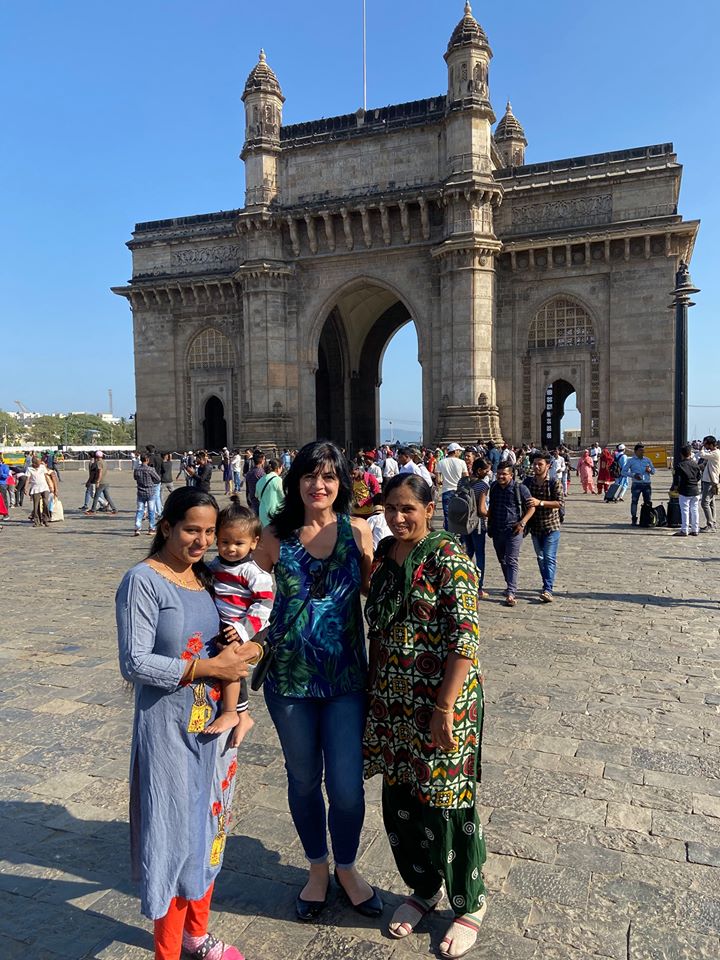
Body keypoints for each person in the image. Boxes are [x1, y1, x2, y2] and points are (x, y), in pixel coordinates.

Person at [116, 487, 258, 960]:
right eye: (191, 530)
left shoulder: (207, 576)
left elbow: (244, 625)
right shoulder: (143, 581)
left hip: (214, 729)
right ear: (166, 527)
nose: (202, 541)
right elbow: (135, 662)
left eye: (210, 532)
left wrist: (240, 691)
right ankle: (168, 951)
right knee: (173, 837)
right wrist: (208, 668)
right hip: (168, 730)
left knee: (209, 829)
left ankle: (197, 935)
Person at [252, 440, 378, 922]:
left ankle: (347, 866)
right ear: (295, 481)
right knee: (304, 780)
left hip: (345, 680)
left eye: (328, 476)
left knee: (346, 787)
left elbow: (377, 594)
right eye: (309, 475)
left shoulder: (358, 532)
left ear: (342, 483)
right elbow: (240, 592)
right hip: (289, 681)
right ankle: (318, 868)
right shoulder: (273, 537)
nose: (318, 485)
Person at [363, 473, 487, 958]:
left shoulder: (448, 557)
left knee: (445, 799)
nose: (398, 517)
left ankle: (469, 901)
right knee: (401, 795)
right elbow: (378, 628)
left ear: (429, 509)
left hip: (441, 703)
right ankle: (423, 886)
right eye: (391, 508)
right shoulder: (386, 555)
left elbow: (464, 638)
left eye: (408, 508)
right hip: (393, 703)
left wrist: (444, 708)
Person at [206, 499, 274, 741]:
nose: (231, 549)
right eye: (225, 542)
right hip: (228, 625)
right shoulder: (215, 566)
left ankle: (232, 712)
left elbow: (264, 605)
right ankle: (241, 714)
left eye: (238, 543)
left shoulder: (253, 572)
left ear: (254, 543)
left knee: (231, 662)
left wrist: (243, 630)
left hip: (249, 626)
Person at [486, 463, 534, 607]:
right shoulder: (494, 487)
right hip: (497, 529)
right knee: (502, 560)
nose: (501, 476)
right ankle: (509, 585)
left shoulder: (520, 488)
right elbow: (491, 506)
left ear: (511, 475)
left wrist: (522, 523)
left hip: (514, 530)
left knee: (511, 559)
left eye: (504, 474)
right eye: (499, 474)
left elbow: (531, 508)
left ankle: (512, 592)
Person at [524, 454, 565, 602]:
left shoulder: (554, 482)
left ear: (548, 466)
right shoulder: (528, 482)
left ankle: (548, 589)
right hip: (535, 527)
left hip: (551, 526)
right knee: (541, 558)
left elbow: (560, 503)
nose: (536, 466)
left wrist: (540, 502)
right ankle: (546, 583)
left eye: (540, 464)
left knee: (549, 557)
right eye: (534, 463)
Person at [466, 457, 491, 600]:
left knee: (467, 554)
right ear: (479, 470)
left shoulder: (463, 482)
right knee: (480, 555)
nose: (488, 473)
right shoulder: (483, 485)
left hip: (463, 524)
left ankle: (464, 581)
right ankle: (479, 587)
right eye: (486, 471)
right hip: (477, 525)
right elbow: (482, 510)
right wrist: (492, 515)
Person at [672, 444, 702, 537]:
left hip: (685, 490)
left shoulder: (680, 465)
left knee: (685, 510)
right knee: (695, 510)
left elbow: (677, 480)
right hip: (695, 490)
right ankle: (695, 529)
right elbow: (699, 476)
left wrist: (676, 488)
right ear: (690, 453)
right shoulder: (695, 464)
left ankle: (684, 530)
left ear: (682, 454)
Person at [436, 443, 468, 529]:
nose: (460, 453)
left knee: (447, 515)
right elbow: (466, 478)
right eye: (459, 451)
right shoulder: (462, 462)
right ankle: (459, 532)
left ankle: (449, 533)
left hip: (446, 491)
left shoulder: (441, 462)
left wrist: (442, 483)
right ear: (455, 451)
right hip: (459, 491)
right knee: (459, 514)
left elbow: (438, 480)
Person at [622, 443, 655, 526]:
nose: (642, 452)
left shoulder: (647, 460)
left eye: (643, 450)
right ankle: (634, 518)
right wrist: (634, 475)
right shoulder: (631, 461)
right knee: (634, 501)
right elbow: (623, 472)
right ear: (635, 451)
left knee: (648, 502)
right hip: (636, 484)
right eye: (640, 450)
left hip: (646, 484)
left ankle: (647, 519)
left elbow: (653, 471)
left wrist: (650, 470)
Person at [133, 453, 161, 536]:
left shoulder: (137, 469)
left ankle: (137, 528)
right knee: (151, 511)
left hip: (140, 492)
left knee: (140, 510)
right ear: (147, 460)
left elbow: (135, 478)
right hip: (150, 492)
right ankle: (151, 528)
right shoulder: (151, 469)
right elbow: (158, 478)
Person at [86, 451, 118, 515]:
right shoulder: (104, 462)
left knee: (96, 496)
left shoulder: (99, 463)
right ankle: (114, 509)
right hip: (106, 481)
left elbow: (100, 472)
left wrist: (98, 481)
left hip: (101, 482)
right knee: (107, 496)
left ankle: (93, 510)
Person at [255, 458, 285, 527]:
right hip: (274, 513)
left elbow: (257, 496)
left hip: (262, 513)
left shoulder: (260, 480)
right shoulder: (277, 479)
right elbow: (284, 497)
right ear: (278, 468)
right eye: (281, 467)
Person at [26, 455, 55, 527]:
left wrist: (50, 486)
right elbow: (27, 479)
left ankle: (46, 519)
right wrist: (25, 488)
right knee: (36, 505)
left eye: (40, 463)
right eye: (38, 463)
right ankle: (37, 521)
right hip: (35, 488)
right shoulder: (29, 469)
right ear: (34, 463)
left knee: (46, 503)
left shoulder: (42, 467)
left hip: (44, 487)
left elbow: (46, 476)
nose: (39, 464)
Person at [700, 436, 720, 532]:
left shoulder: (715, 453)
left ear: (711, 444)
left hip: (710, 481)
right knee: (711, 503)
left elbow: (702, 454)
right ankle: (713, 522)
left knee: (704, 503)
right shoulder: (713, 453)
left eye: (706, 444)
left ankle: (710, 524)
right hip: (709, 480)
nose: (705, 446)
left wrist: (701, 448)